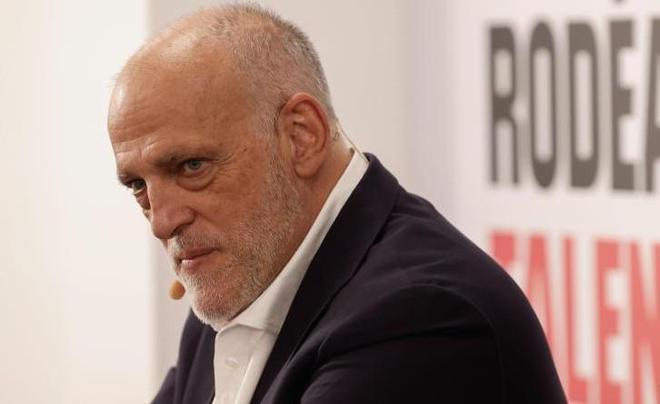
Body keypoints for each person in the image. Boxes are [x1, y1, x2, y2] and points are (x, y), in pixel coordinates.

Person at [108, 4, 566, 404]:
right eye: (137, 186)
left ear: (302, 136)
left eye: (191, 167)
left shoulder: (420, 315)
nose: (161, 222)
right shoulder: (238, 284)